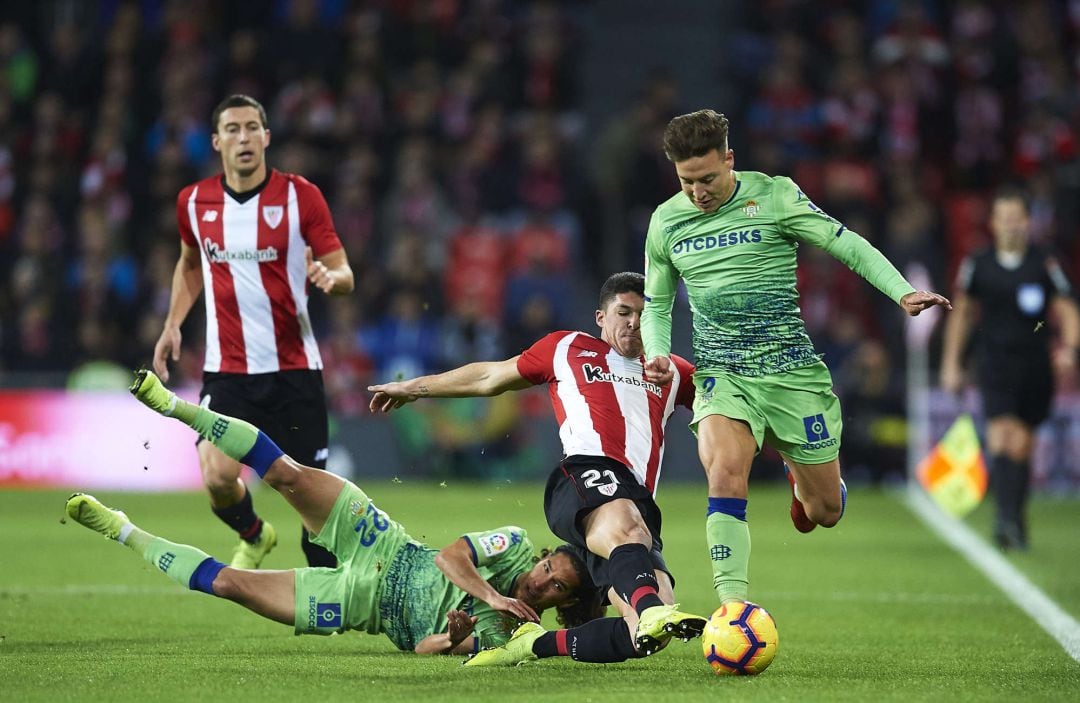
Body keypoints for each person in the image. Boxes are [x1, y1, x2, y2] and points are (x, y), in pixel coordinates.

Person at [639, 109, 952, 606]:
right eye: (686, 182)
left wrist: (901, 292)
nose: (697, 192)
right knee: (724, 470)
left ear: (730, 159)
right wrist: (656, 352)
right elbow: (656, 302)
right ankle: (733, 608)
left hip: (792, 372)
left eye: (707, 178)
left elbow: (843, 243)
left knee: (825, 510)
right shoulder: (665, 221)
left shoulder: (775, 195)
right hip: (723, 374)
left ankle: (801, 482)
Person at [64, 368, 602, 655]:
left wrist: (454, 631)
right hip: (381, 542)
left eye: (557, 589)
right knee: (286, 474)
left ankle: (121, 530)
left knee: (230, 586)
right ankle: (174, 406)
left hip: (357, 604)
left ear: (566, 604)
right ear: (545, 555)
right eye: (549, 569)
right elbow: (450, 556)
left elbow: (425, 649)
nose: (542, 582)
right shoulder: (511, 547)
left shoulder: (513, 636)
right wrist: (492, 596)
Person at [368, 272, 706, 664]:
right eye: (623, 312)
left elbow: (727, 406)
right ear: (601, 317)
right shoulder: (567, 347)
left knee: (645, 637)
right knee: (634, 551)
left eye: (643, 315)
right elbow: (490, 376)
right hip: (584, 475)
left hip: (636, 500)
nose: (633, 322)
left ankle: (530, 644)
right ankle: (651, 610)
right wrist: (413, 388)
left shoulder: (672, 371)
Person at [152, 94, 354, 570]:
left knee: (314, 526)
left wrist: (332, 280)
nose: (243, 138)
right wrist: (171, 325)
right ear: (217, 141)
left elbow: (343, 270)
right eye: (233, 129)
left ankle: (338, 587)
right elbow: (188, 265)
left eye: (252, 128)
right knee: (217, 475)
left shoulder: (300, 196)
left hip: (294, 371)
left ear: (266, 137)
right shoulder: (194, 202)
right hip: (228, 373)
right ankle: (254, 533)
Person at [940, 188, 1080, 550]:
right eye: (1004, 219)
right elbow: (964, 316)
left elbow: (1067, 309)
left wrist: (1070, 348)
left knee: (1021, 443)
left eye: (1017, 219)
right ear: (993, 224)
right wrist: (952, 362)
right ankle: (1005, 521)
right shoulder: (979, 263)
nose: (1011, 226)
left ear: (1028, 222)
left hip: (1035, 366)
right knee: (1001, 434)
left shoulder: (1046, 262)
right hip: (994, 363)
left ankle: (1015, 516)